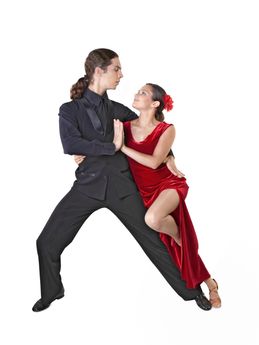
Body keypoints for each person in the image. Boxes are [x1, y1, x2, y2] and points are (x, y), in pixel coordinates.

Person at [32, 48, 211, 313]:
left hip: (123, 189)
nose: (121, 75)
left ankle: (192, 292)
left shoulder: (118, 110)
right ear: (99, 71)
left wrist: (170, 157)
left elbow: (151, 133)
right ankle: (52, 291)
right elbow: (70, 143)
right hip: (87, 187)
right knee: (46, 241)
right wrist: (110, 146)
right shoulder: (69, 110)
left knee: (155, 242)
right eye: (116, 69)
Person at [76, 83, 222, 308]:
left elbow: (155, 162)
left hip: (168, 184)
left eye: (143, 93)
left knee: (153, 220)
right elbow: (103, 145)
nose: (136, 93)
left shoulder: (167, 129)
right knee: (179, 246)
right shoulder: (123, 126)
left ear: (154, 104)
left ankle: (180, 238)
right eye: (138, 91)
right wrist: (85, 155)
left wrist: (123, 147)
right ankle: (210, 282)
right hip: (145, 192)